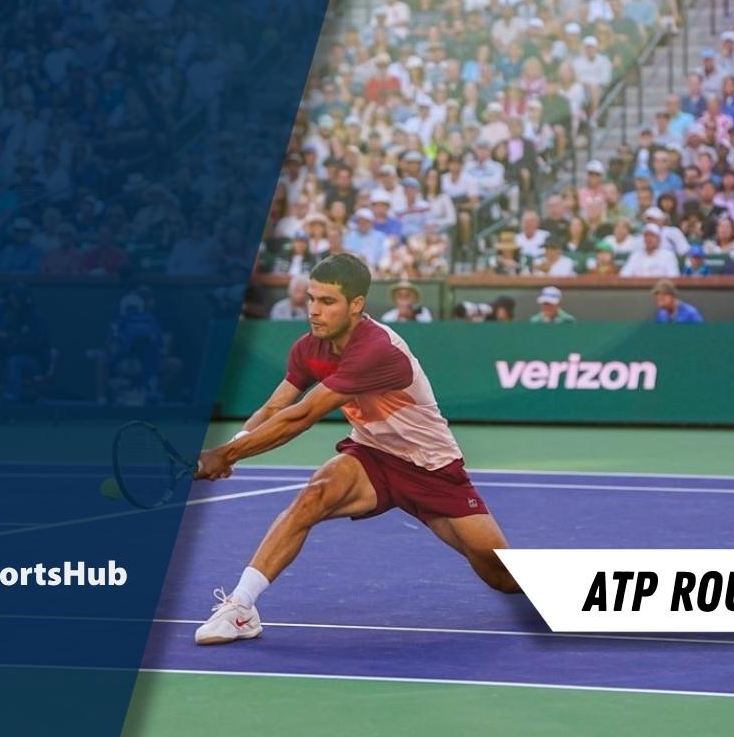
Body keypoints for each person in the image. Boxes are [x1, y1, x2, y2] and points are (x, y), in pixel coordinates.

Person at [193, 254, 519, 645]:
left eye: (327, 302)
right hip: (372, 456)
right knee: (313, 496)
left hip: (431, 469)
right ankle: (241, 608)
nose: (314, 311)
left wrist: (225, 457)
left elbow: (302, 415)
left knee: (502, 577)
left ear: (357, 305)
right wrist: (232, 446)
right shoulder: (309, 347)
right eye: (312, 299)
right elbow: (275, 407)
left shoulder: (376, 349)